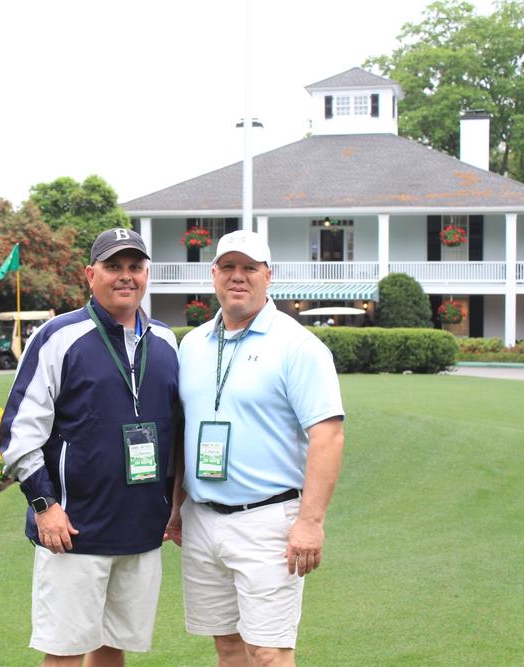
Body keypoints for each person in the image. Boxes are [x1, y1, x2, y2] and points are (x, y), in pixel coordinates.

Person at [0, 227, 180, 667]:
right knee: (64, 652)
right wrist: (45, 506)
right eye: (113, 266)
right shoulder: (58, 337)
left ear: (146, 274)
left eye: (134, 267)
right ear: (90, 274)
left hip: (140, 529)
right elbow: (19, 431)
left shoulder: (167, 341)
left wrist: (172, 508)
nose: (125, 277)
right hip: (73, 529)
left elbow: (175, 432)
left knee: (112, 646)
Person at [167, 229, 345, 667]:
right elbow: (184, 432)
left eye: (249, 267)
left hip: (268, 521)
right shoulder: (192, 345)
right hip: (202, 518)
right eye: (228, 267)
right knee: (227, 647)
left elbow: (328, 434)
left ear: (269, 275)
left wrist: (310, 523)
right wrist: (175, 508)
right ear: (213, 276)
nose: (238, 277)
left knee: (268, 653)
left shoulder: (298, 346)